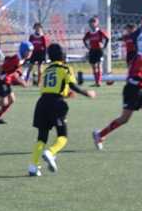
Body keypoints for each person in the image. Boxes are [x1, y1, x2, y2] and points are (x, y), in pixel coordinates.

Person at [93, 32, 142, 151]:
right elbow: (132, 77)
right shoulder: (140, 58)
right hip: (132, 91)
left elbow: (141, 75)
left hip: (139, 91)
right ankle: (100, 135)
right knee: (124, 119)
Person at [29, 43, 97, 177]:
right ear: (62, 55)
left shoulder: (47, 70)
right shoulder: (65, 68)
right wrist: (86, 93)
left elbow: (50, 87)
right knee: (62, 136)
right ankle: (51, 152)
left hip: (42, 103)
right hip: (56, 104)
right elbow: (72, 85)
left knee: (41, 137)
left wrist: (66, 93)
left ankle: (33, 166)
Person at [83, 16, 109, 87]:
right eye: (90, 23)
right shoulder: (89, 33)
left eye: (93, 23)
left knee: (99, 65)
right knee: (94, 66)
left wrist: (104, 47)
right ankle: (96, 81)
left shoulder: (100, 32)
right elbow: (84, 40)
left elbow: (107, 38)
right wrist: (87, 46)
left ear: (97, 23)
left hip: (99, 50)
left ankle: (99, 82)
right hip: (92, 51)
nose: (92, 24)